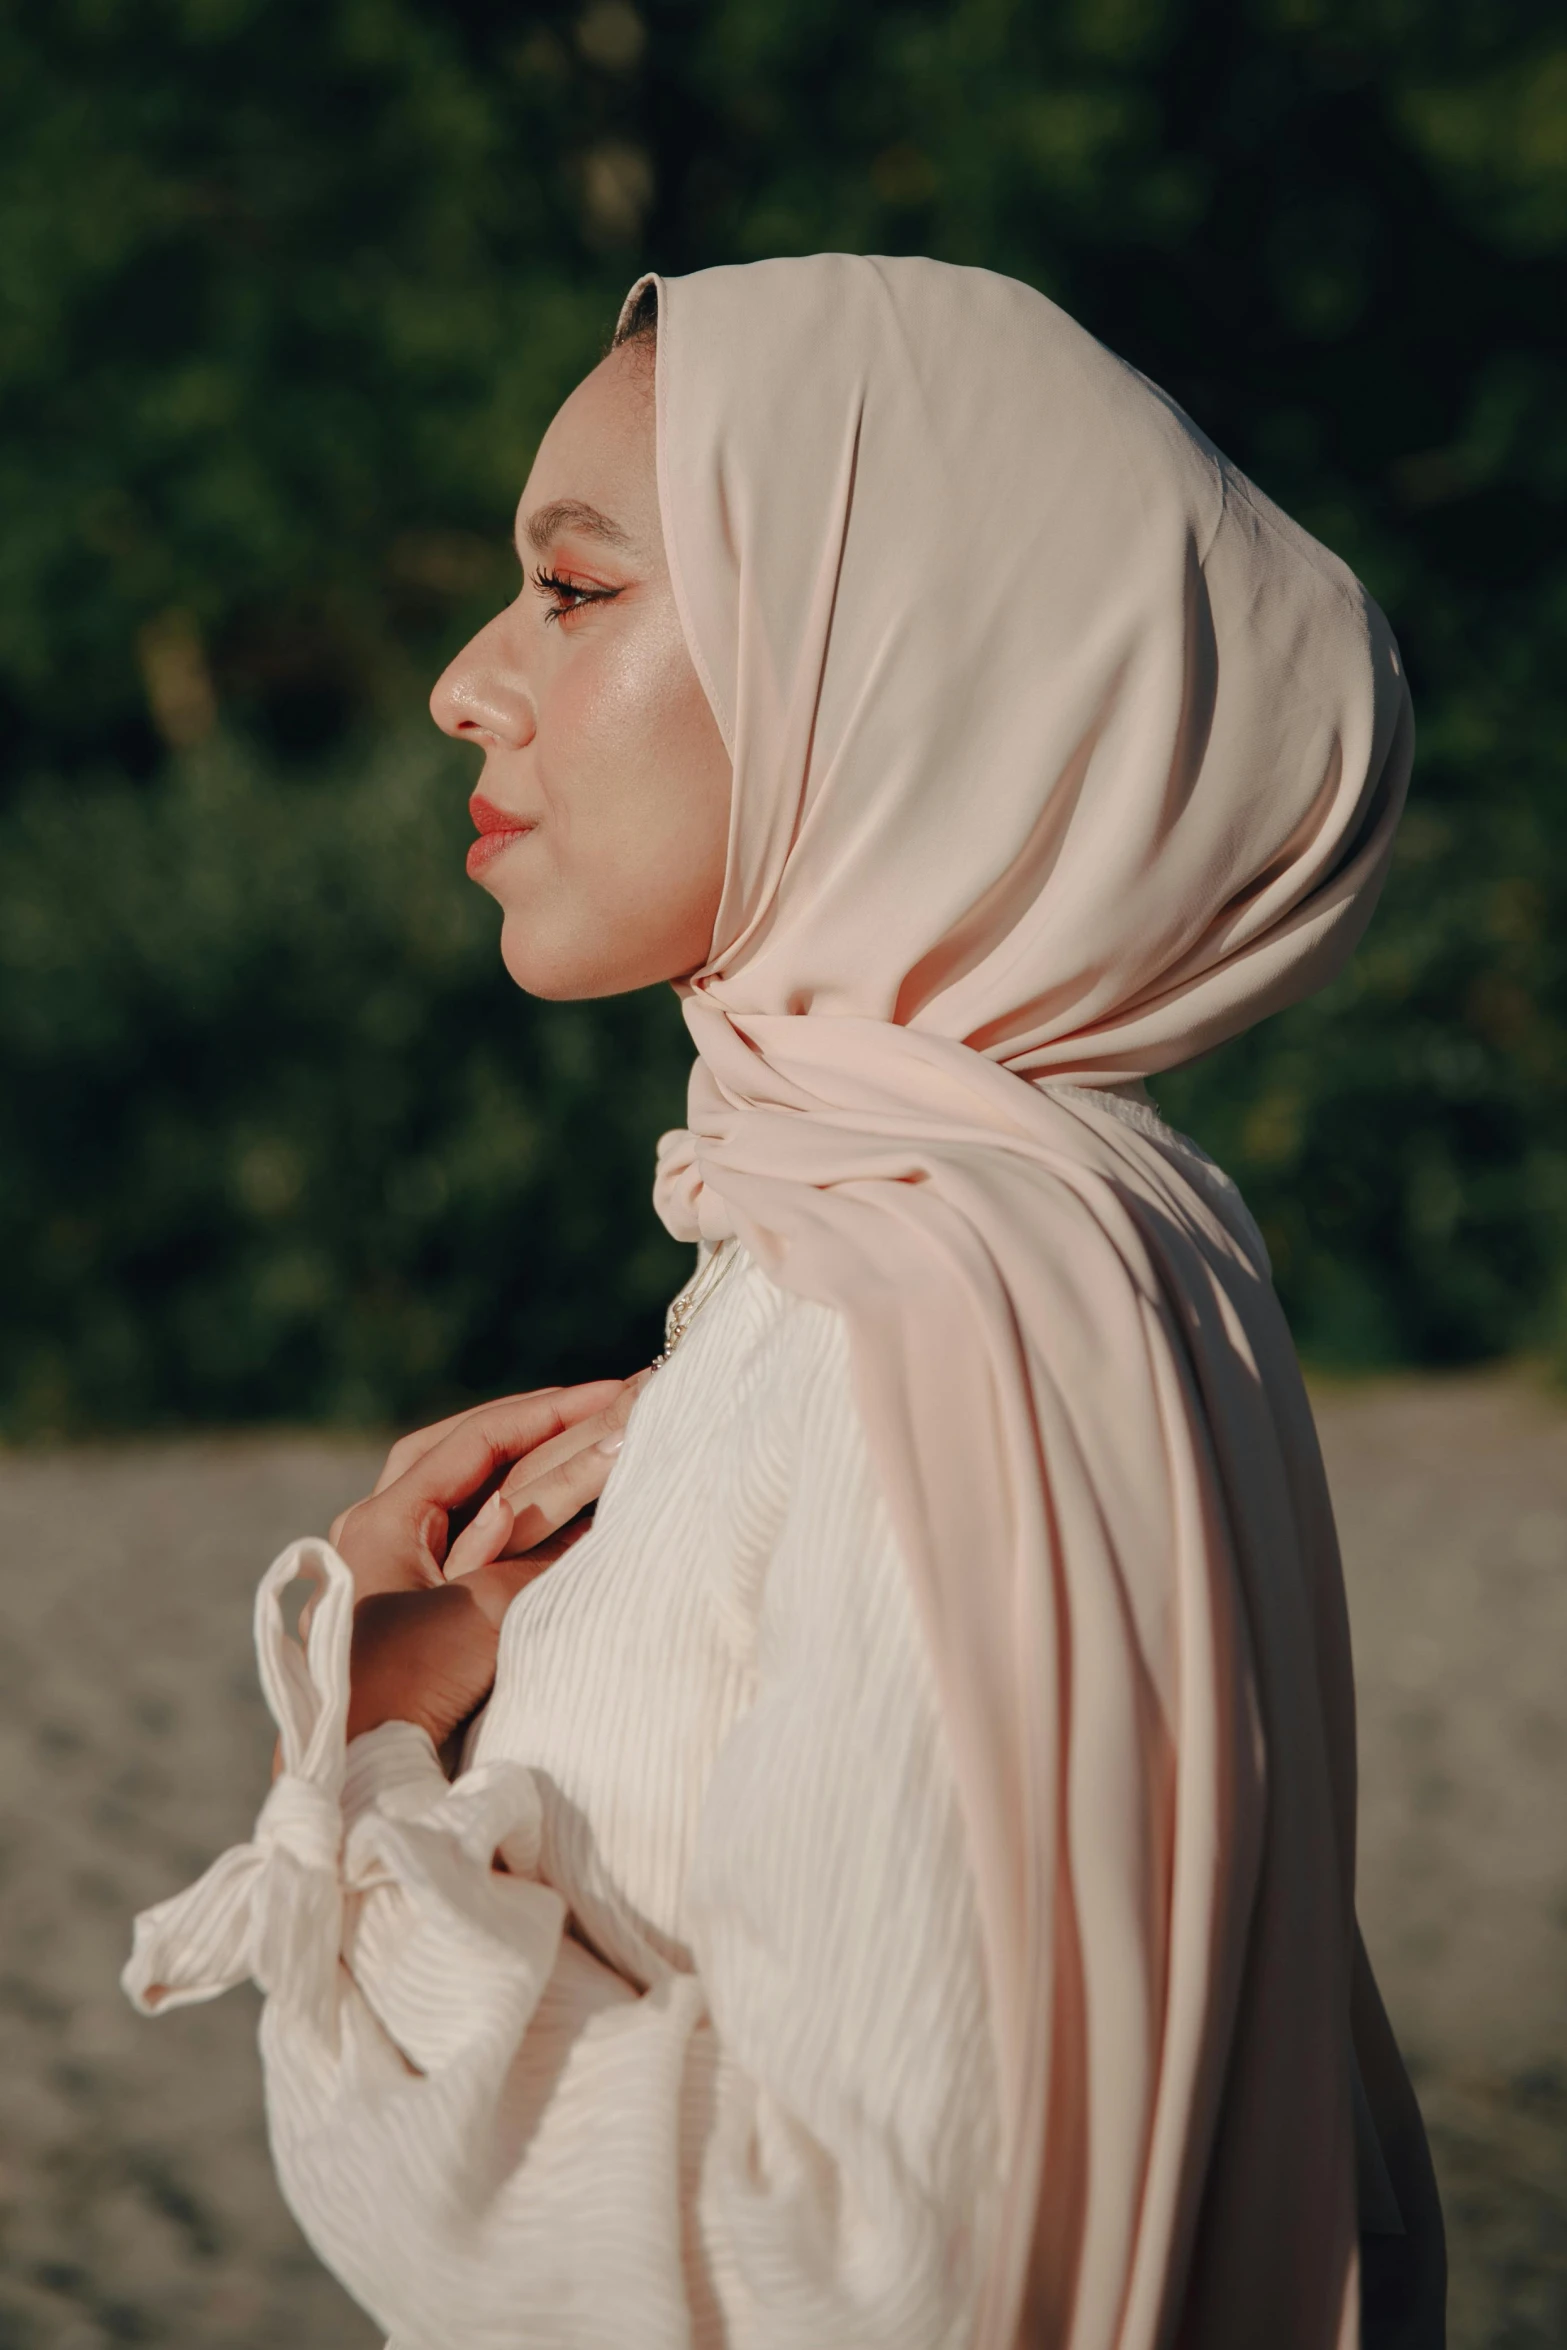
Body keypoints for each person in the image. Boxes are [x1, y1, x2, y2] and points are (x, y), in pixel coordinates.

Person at [125, 255, 1444, 2349]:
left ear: (888, 662)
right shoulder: (947, 1253)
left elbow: (848, 2277)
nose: (472, 681)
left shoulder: (942, 1298)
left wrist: (368, 1783)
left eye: (577, 588)